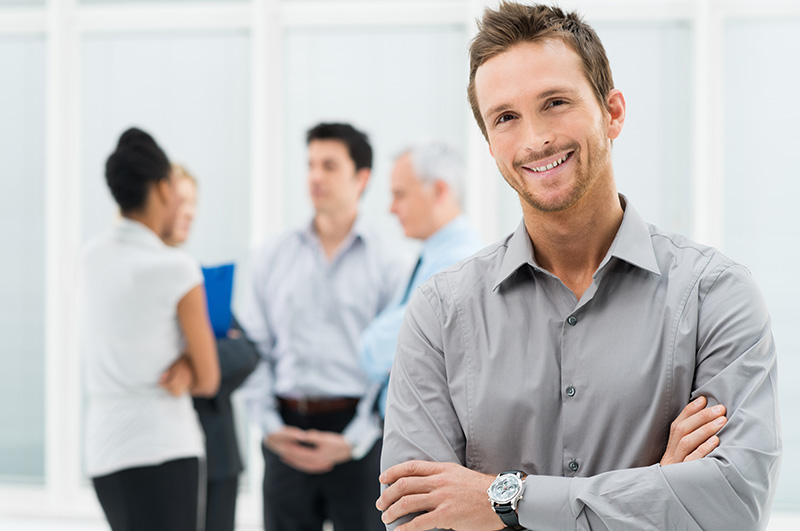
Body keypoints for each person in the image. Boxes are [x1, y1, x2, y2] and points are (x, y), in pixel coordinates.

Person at [377, 3, 781, 530]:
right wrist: (657, 487)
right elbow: (416, 517)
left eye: (555, 102)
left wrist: (505, 500)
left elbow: (731, 506)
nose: (534, 139)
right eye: (505, 117)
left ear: (612, 112)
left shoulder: (715, 296)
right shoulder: (439, 313)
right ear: (490, 144)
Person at [241, 122, 406, 531]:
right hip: (284, 431)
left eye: (329, 165)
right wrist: (270, 428)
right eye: (311, 164)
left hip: (359, 435)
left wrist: (354, 439)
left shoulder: (390, 263)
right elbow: (253, 349)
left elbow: (398, 365)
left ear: (361, 178)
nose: (315, 176)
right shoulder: (272, 256)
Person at [81, 128, 220, 531]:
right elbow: (208, 378)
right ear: (162, 189)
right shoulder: (175, 268)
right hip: (162, 446)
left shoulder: (90, 258)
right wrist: (190, 366)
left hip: (104, 450)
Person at [162, 164, 260, 531]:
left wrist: (194, 363)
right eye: (182, 200)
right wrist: (207, 353)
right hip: (164, 451)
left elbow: (248, 353)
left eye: (195, 203)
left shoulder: (200, 282)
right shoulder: (149, 281)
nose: (191, 212)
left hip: (218, 455)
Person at [359, 142, 483, 417]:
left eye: (399, 195)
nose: (391, 208)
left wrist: (372, 341)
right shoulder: (432, 256)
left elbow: (377, 349)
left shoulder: (459, 265)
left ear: (439, 190)